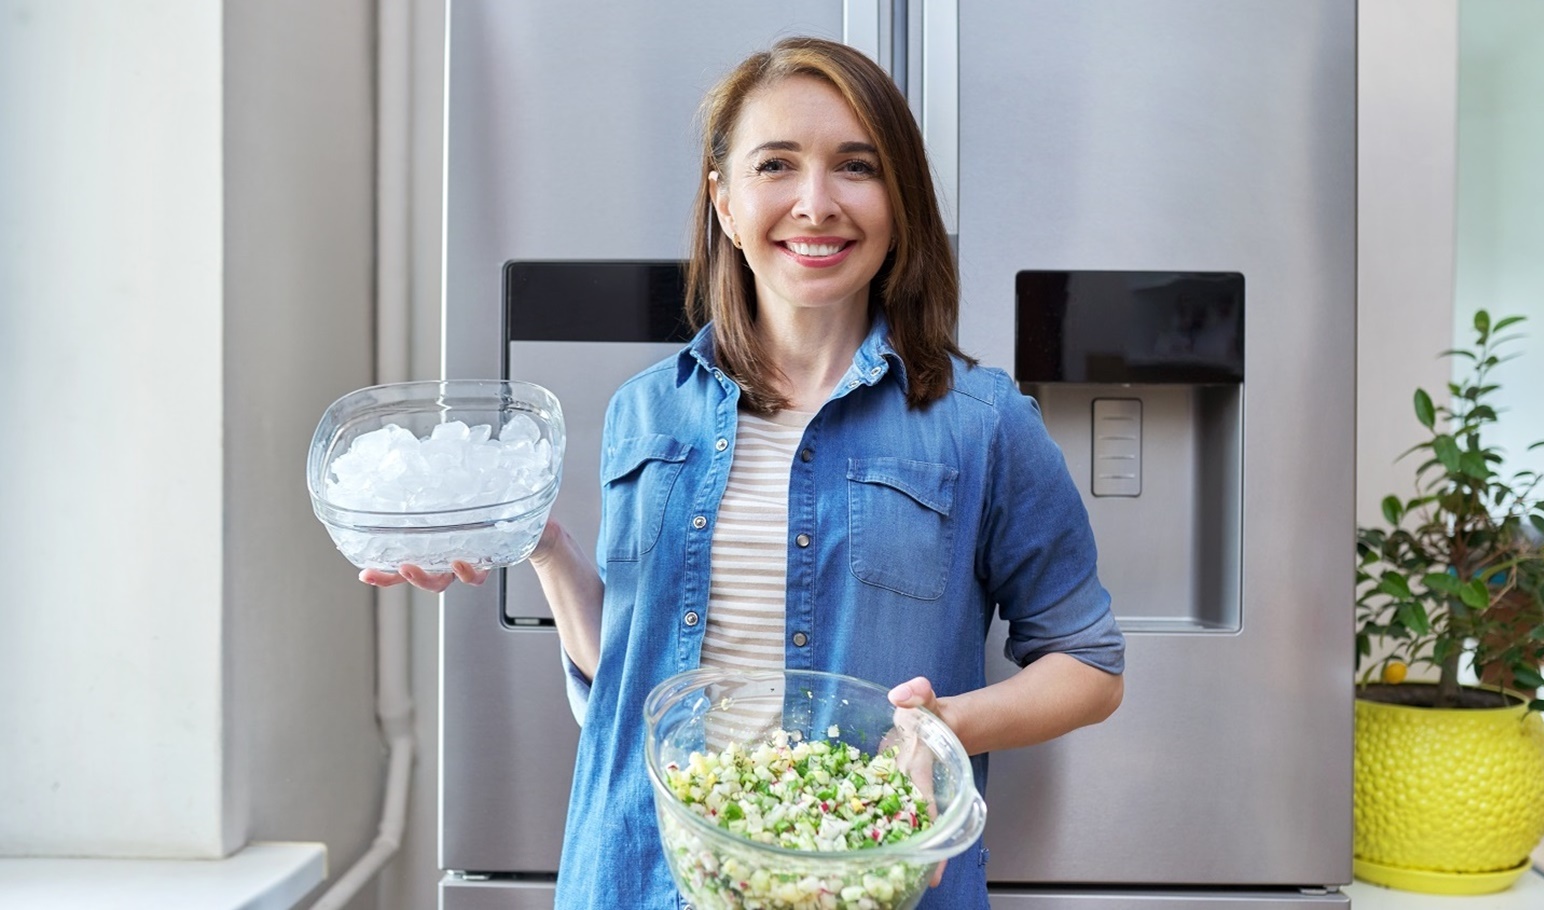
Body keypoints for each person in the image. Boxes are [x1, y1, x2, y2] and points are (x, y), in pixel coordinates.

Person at [366, 36, 1124, 910]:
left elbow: (1089, 667)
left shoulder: (982, 424)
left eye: (856, 166)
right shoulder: (645, 411)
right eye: (776, 166)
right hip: (640, 877)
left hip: (866, 879)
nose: (815, 203)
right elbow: (628, 671)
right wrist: (539, 545)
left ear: (898, 201)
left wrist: (943, 725)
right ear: (724, 202)